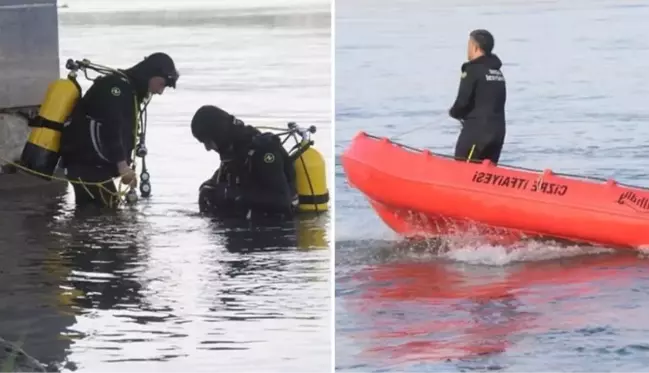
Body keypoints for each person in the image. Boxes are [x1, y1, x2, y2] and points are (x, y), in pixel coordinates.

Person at [60, 52, 179, 207]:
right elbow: (112, 127)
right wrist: (122, 166)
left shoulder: (128, 89)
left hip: (93, 166)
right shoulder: (116, 88)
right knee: (105, 215)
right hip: (86, 165)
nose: (160, 91)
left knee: (98, 218)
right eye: (162, 84)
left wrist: (125, 167)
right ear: (152, 74)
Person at [190, 105, 297, 219]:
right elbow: (218, 183)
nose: (207, 148)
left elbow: (282, 200)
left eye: (208, 141)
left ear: (217, 134)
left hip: (275, 230)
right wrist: (207, 189)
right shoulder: (233, 152)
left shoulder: (264, 151)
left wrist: (235, 196)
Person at [449, 29, 507, 164]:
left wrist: (453, 112)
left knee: (463, 169)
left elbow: (462, 102)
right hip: (497, 133)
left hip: (477, 132)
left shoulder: (472, 70)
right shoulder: (497, 73)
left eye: (469, 45)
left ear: (475, 47)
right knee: (485, 176)